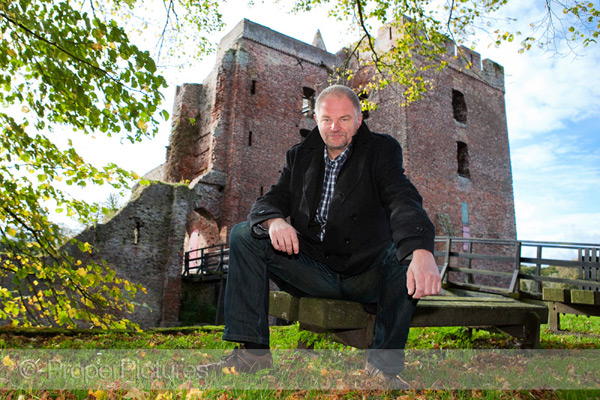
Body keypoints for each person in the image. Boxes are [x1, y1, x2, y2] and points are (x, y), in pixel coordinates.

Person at [198, 84, 442, 386]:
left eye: (344, 119)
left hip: (366, 273)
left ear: (359, 119)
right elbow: (271, 200)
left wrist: (421, 249)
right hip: (314, 270)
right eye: (327, 119)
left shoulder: (381, 150)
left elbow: (402, 197)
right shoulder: (299, 156)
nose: (334, 127)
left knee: (403, 254)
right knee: (245, 235)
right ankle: (253, 354)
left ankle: (383, 367)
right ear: (316, 119)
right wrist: (275, 222)